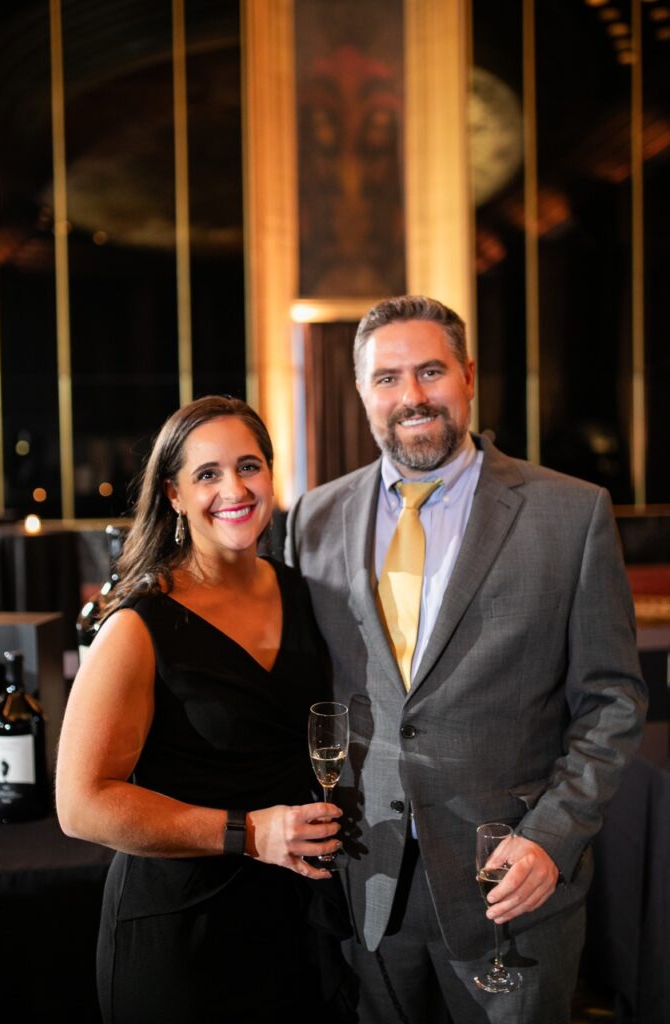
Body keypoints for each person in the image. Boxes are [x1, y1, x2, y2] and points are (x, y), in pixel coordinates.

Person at [285, 295, 648, 1024]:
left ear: (468, 376)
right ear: (362, 393)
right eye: (387, 378)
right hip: (368, 883)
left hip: (512, 887)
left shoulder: (571, 514)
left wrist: (550, 839)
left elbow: (613, 702)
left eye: (430, 371)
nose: (411, 396)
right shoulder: (312, 519)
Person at [56, 395, 347, 1024]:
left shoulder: (303, 594)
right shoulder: (138, 626)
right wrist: (248, 833)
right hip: (182, 934)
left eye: (248, 466)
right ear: (174, 495)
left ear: (271, 475)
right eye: (207, 474)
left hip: (295, 923)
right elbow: (80, 805)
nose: (233, 489)